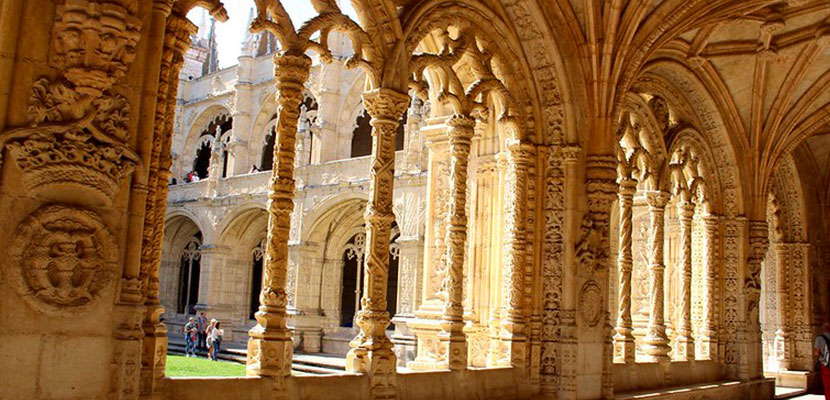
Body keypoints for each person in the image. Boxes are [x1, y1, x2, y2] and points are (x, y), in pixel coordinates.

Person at [815, 321, 830, 399]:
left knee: (827, 385)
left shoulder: (820, 338)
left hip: (826, 364)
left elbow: (817, 353)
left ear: (823, 328)